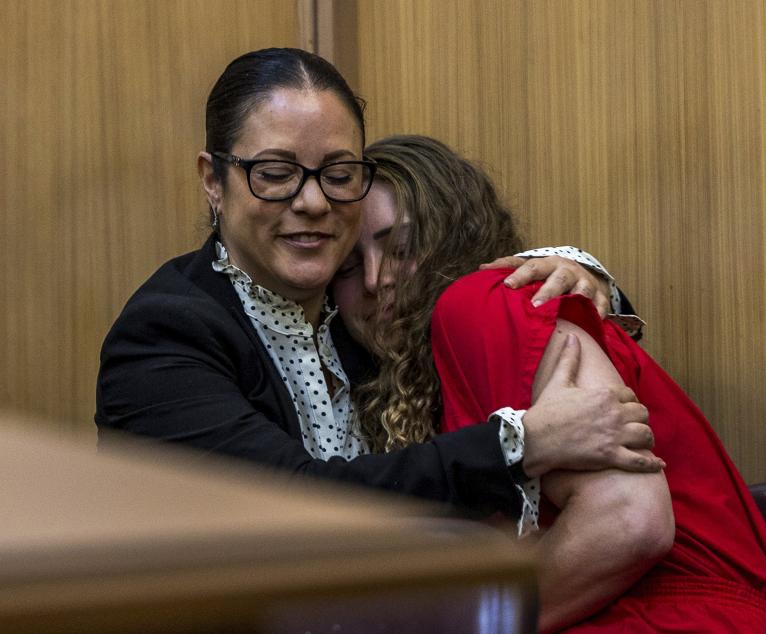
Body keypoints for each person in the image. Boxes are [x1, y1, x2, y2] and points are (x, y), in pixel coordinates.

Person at [95, 48, 661, 527]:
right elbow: (293, 504)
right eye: (274, 173)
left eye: (339, 175)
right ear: (213, 180)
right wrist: (518, 444)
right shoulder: (165, 332)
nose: (313, 201)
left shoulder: (358, 310)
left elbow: (476, 294)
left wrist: (577, 272)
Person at [329, 135, 766, 632]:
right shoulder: (398, 392)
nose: (377, 281)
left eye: (400, 248)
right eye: (350, 267)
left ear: (451, 239)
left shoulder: (479, 303)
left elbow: (628, 521)